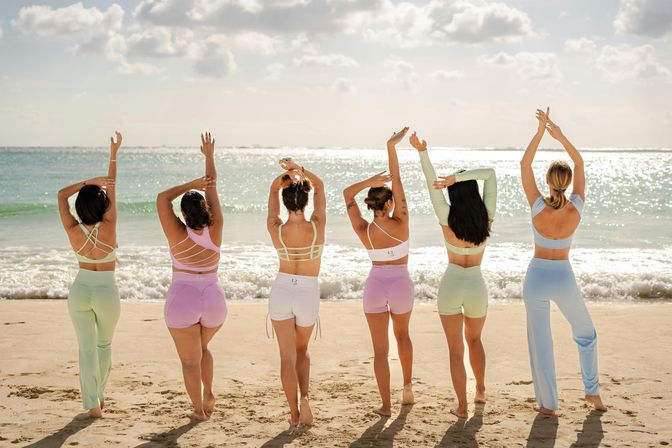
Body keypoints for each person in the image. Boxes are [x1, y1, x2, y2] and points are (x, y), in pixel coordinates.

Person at [520, 108, 607, 415]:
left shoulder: (537, 206)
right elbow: (580, 161)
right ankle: (592, 393)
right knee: (586, 333)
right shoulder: (576, 207)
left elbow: (524, 163)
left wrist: (541, 133)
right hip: (563, 276)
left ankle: (547, 405)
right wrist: (560, 135)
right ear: (568, 182)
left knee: (541, 343)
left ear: (548, 181)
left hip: (536, 277)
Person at [410, 131, 497, 419]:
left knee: (455, 350)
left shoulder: (447, 218)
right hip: (475, 284)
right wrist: (457, 178)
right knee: (475, 341)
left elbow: (428, 181)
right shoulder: (486, 216)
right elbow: (491, 175)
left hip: (451, 283)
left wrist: (423, 152)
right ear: (472, 193)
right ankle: (481, 390)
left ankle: (462, 406)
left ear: (453, 195)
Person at [343, 127, 415, 417]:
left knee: (380, 351)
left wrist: (370, 181)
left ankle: (385, 405)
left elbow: (347, 194)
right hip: (400, 285)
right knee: (403, 337)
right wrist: (392, 147)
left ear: (372, 206)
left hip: (375, 286)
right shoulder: (402, 221)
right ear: (389, 204)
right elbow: (397, 181)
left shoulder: (363, 229)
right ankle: (407, 388)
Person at [156, 132, 227, 421]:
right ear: (207, 211)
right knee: (203, 348)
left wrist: (190, 184)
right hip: (214, 300)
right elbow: (213, 188)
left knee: (189, 361)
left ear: (183, 216)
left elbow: (162, 199)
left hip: (183, 299)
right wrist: (209, 156)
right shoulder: (217, 227)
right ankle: (208, 392)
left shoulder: (177, 234)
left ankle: (199, 410)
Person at [57, 131, 123, 418]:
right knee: (103, 344)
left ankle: (92, 403)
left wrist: (87, 182)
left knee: (86, 350)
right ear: (103, 205)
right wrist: (113, 154)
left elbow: (61, 195)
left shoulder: (72, 229)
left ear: (80, 207)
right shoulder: (109, 226)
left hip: (80, 290)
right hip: (105, 290)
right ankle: (100, 393)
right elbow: (113, 186)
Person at [267, 157, 326, 428]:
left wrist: (284, 179)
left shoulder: (276, 229)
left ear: (285, 201)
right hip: (306, 291)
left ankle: (293, 416)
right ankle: (305, 399)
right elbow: (321, 186)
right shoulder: (316, 226)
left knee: (286, 356)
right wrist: (299, 170)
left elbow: (272, 191)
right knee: (302, 350)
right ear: (304, 201)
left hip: (281, 289)